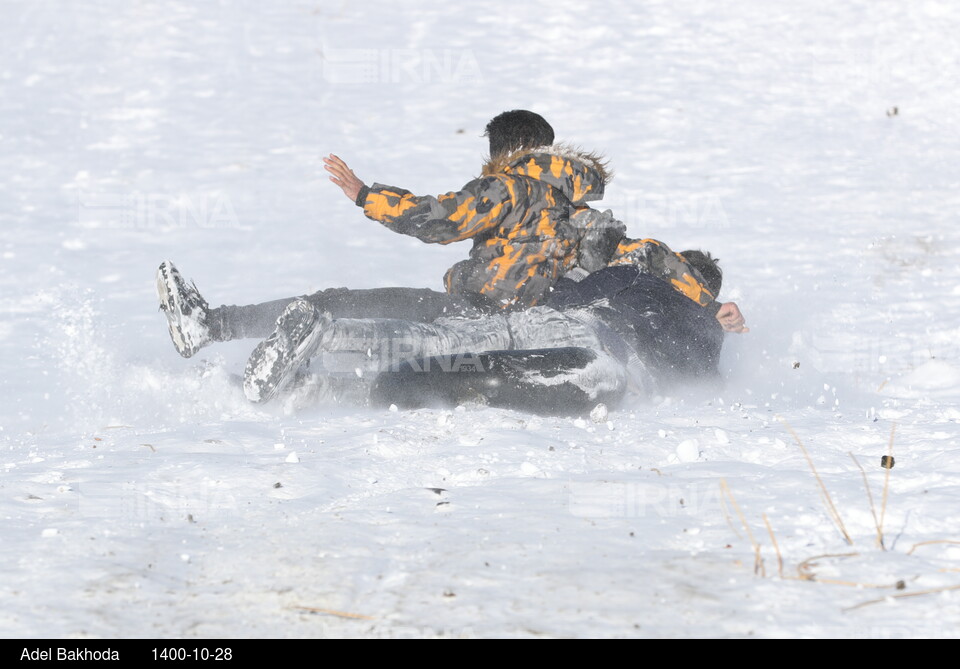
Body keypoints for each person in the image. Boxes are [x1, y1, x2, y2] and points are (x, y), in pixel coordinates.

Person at [158, 110, 614, 358]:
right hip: (512, 323)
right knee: (366, 308)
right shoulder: (573, 207)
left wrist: (365, 195)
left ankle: (213, 326)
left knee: (341, 303)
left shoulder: (512, 185)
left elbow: (442, 219)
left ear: (508, 151)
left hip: (473, 313)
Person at [242, 241, 745, 405]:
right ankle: (318, 389)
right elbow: (700, 377)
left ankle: (322, 337)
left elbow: (566, 288)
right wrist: (715, 325)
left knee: (442, 343)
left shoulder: (627, 270)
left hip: (541, 316)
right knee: (458, 378)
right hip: (595, 344)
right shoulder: (694, 314)